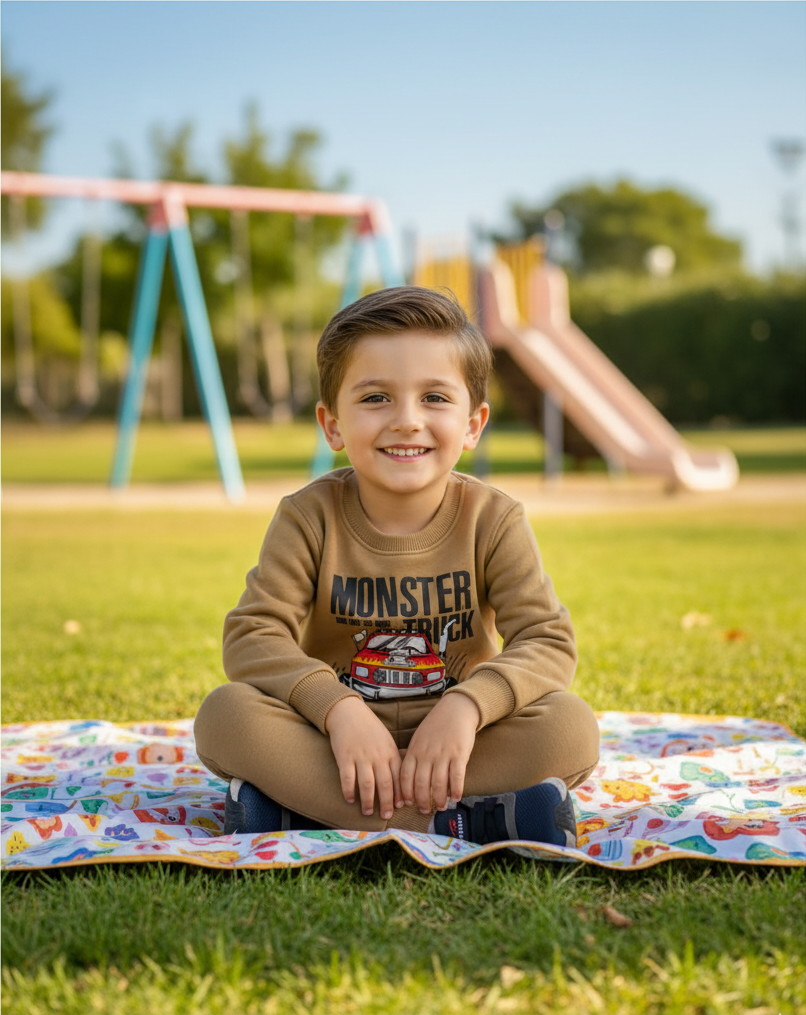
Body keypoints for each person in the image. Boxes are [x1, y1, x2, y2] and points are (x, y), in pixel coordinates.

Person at [194, 286, 599, 849]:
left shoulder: (494, 519)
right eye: (376, 398)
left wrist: (467, 705)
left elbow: (547, 639)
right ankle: (459, 822)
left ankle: (302, 813)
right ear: (332, 424)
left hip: (461, 741)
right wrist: (335, 708)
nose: (407, 421)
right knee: (225, 715)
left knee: (571, 727)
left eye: (434, 397)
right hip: (335, 739)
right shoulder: (308, 517)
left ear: (474, 423)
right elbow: (252, 635)